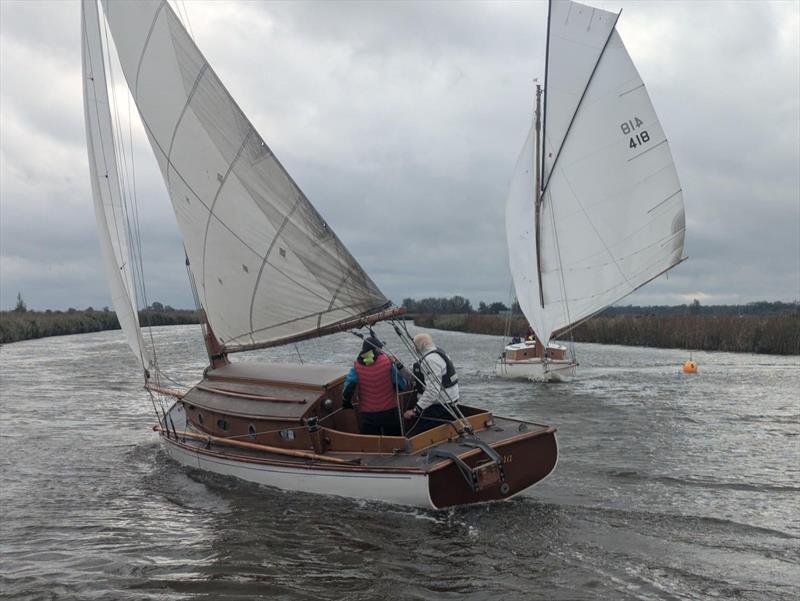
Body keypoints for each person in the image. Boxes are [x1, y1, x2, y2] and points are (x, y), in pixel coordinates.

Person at [342, 336, 408, 436]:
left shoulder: (356, 366)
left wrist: (346, 402)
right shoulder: (388, 362)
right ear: (376, 349)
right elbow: (401, 384)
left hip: (368, 414)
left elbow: (348, 388)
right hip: (389, 410)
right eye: (380, 347)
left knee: (372, 443)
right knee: (394, 441)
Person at [403, 332, 459, 431]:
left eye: (414, 345)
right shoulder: (438, 352)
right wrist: (400, 366)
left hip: (440, 407)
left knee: (419, 433)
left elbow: (433, 391)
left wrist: (416, 410)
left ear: (420, 346)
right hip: (450, 402)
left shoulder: (430, 360)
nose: (413, 347)